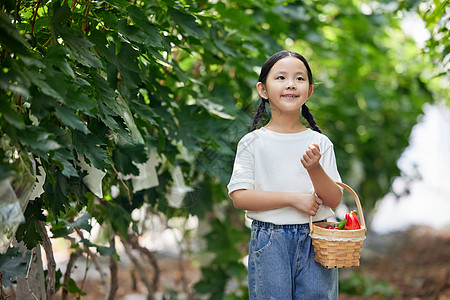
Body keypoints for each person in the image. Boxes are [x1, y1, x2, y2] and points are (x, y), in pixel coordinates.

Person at [227, 50, 343, 299]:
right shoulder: (253, 142)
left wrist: (314, 168)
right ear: (263, 89)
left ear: (309, 91)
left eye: (299, 78)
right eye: (281, 77)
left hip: (318, 239)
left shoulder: (320, 143)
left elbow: (334, 199)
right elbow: (240, 197)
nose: (291, 84)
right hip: (270, 241)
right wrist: (293, 199)